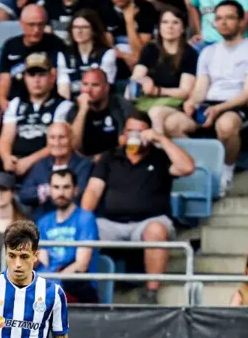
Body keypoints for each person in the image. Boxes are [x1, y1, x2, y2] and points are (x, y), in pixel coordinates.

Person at [79, 111, 194, 304]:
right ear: (123, 134)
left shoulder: (160, 157)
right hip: (110, 223)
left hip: (149, 221)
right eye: (130, 131)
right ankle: (81, 290)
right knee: (84, 229)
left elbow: (187, 168)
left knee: (156, 230)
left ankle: (151, 293)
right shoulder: (110, 158)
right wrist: (83, 218)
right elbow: (93, 190)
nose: (135, 136)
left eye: (140, 132)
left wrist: (161, 138)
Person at [182, 0, 248, 196]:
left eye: (229, 18)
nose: (223, 22)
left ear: (241, 22)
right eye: (219, 18)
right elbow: (200, 88)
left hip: (238, 106)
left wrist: (218, 109)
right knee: (171, 123)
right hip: (209, 104)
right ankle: (197, 168)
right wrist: (191, 103)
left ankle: (225, 173)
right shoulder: (207, 52)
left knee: (226, 126)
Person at [0, 52, 74, 177]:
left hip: (48, 164)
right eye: (32, 75)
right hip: (16, 162)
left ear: (52, 77)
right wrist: (7, 158)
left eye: (41, 74)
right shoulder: (15, 104)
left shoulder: (63, 106)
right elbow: (6, 138)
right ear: (25, 77)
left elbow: (58, 143)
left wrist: (29, 161)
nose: (36, 80)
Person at [131, 6, 198, 135]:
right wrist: (144, 80)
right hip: (148, 102)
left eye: (175, 22)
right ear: (159, 27)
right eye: (165, 22)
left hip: (177, 105)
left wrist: (158, 91)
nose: (169, 27)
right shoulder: (150, 49)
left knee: (156, 113)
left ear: (183, 28)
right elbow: (136, 77)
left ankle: (159, 147)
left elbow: (185, 92)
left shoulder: (189, 53)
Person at [35, 167, 98, 303]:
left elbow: (81, 265)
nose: (61, 193)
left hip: (74, 287)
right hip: (47, 288)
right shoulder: (44, 221)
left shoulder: (85, 218)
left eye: (66, 187)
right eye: (56, 187)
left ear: (75, 190)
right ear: (50, 190)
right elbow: (42, 259)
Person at [0, 3, 68, 111]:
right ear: (21, 24)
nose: (36, 30)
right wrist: (2, 100)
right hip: (16, 104)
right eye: (31, 25)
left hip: (47, 103)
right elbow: (4, 80)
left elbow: (58, 78)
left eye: (40, 25)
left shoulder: (55, 43)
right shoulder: (11, 45)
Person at [20, 122, 93, 220]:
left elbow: (78, 193)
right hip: (42, 220)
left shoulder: (83, 165)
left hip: (72, 220)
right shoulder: (41, 165)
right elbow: (24, 194)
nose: (57, 143)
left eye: (62, 137)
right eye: (52, 138)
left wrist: (43, 192)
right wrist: (49, 191)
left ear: (71, 139)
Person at [69, 66, 130, 157]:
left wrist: (103, 158)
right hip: (86, 163)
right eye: (85, 84)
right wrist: (83, 110)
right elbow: (73, 146)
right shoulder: (76, 109)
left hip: (116, 160)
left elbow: (126, 141)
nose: (88, 90)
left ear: (106, 88)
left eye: (95, 85)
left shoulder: (120, 105)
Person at [61, 9, 117, 98]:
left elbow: (104, 88)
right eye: (75, 27)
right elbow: (63, 90)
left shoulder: (107, 54)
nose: (79, 31)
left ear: (94, 31)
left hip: (99, 105)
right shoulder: (64, 55)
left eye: (84, 27)